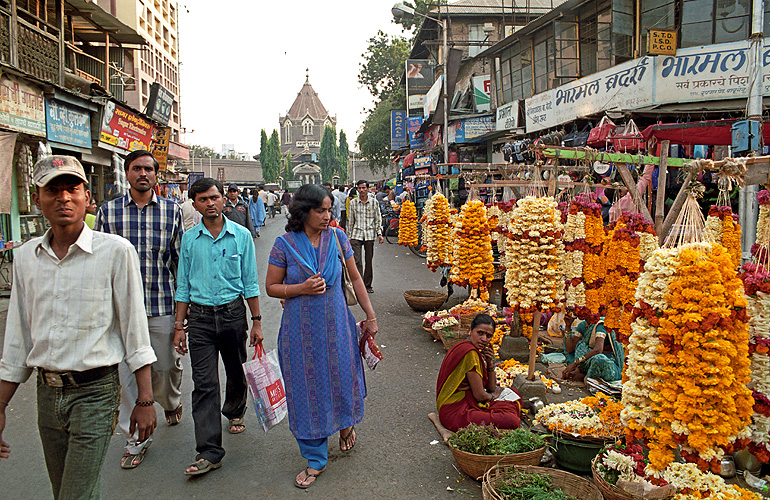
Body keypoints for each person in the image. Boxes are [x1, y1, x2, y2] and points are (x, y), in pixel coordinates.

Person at [0, 155, 157, 498]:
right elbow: (18, 338)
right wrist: (0, 406)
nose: (63, 198)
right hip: (47, 393)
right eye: (52, 190)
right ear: (37, 198)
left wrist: (145, 400)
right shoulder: (26, 257)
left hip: (96, 392)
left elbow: (134, 328)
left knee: (75, 494)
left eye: (72, 189)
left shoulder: (115, 251)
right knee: (67, 492)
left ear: (87, 196)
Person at [265, 183, 378, 489]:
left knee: (342, 378)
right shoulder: (283, 244)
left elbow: (354, 277)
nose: (328, 215)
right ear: (304, 211)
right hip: (299, 331)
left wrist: (370, 316)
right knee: (306, 388)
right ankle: (315, 457)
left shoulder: (338, 237)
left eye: (330, 209)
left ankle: (344, 426)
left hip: (337, 325)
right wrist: (300, 289)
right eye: (321, 210)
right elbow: (271, 287)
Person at [94, 149, 185, 469]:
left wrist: (181, 314)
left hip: (161, 304)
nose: (142, 174)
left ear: (156, 175)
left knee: (165, 367)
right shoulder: (109, 212)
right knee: (128, 377)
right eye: (136, 169)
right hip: (121, 310)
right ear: (127, 173)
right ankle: (136, 441)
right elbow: (100, 262)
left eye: (148, 169)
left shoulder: (171, 212)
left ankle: (171, 400)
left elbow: (178, 264)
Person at [174, 177, 263, 477]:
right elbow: (183, 285)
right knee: (205, 384)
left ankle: (235, 410)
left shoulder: (241, 236)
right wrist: (178, 326)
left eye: (214, 197)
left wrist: (257, 322)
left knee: (236, 370)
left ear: (224, 199)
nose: (210, 203)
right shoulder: (189, 240)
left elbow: (249, 282)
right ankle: (210, 450)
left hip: (232, 314)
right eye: (202, 199)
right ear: (195, 205)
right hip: (198, 320)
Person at [436, 314, 521, 432]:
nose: (484, 339)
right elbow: (480, 395)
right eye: (480, 333)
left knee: (513, 394)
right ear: (470, 331)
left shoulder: (471, 349)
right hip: (455, 412)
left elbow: (491, 387)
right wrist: (493, 397)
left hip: (465, 403)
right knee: (512, 420)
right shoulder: (469, 353)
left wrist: (490, 362)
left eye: (489, 336)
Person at [562, 316, 624, 383]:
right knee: (580, 345)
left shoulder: (601, 324)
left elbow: (598, 350)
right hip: (589, 361)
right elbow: (570, 349)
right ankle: (584, 373)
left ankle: (586, 377)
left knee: (599, 359)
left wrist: (575, 363)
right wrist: (568, 326)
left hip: (607, 364)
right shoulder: (583, 325)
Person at [347, 180, 383, 294]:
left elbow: (378, 218)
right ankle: (359, 284)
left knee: (368, 261)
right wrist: (348, 237)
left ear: (368, 189)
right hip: (356, 234)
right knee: (357, 261)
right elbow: (350, 221)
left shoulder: (373, 202)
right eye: (359, 188)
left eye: (363, 188)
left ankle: (367, 285)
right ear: (357, 190)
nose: (361, 190)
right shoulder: (353, 203)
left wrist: (379, 233)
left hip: (369, 235)